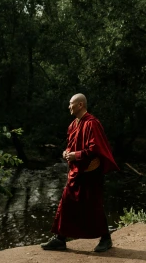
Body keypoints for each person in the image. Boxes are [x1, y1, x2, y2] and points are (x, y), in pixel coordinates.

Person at [41, 94, 119, 252]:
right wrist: (67, 153)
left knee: (93, 204)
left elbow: (95, 148)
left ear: (80, 105)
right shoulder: (72, 125)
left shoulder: (92, 124)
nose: (69, 107)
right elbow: (71, 146)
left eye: (71, 104)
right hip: (76, 171)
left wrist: (76, 155)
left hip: (90, 171)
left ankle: (106, 238)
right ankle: (60, 238)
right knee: (67, 202)